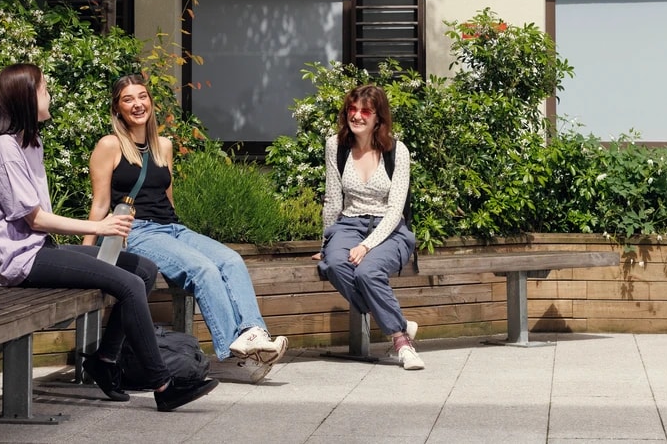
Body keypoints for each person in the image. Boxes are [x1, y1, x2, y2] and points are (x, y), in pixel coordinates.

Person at [0, 63, 218, 411]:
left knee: (143, 269)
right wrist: (100, 228)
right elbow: (36, 219)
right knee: (130, 284)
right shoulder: (3, 150)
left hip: (41, 251)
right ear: (27, 97)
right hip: (21, 262)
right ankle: (163, 386)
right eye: (44, 89)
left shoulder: (29, 144)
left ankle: (104, 360)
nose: (49, 95)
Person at [84, 74, 288, 382]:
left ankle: (253, 335)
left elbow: (168, 199)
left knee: (230, 259)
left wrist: (183, 235)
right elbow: (100, 205)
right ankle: (240, 355)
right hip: (136, 231)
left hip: (172, 228)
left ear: (150, 101)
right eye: (128, 99)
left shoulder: (162, 146)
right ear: (118, 108)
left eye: (142, 97)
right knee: (202, 269)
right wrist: (86, 254)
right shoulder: (109, 145)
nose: (137, 104)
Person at [314, 84, 424, 370]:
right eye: (352, 109)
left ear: (378, 118)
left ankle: (401, 341)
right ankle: (397, 321)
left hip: (390, 231)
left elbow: (394, 210)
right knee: (335, 264)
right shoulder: (335, 146)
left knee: (367, 271)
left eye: (365, 111)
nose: (357, 116)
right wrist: (325, 246)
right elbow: (333, 200)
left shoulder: (397, 151)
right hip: (348, 225)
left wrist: (367, 245)